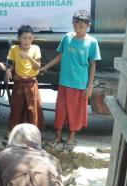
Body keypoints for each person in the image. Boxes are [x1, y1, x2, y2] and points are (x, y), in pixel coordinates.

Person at [40, 10, 101, 150]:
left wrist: (90, 85)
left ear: (88, 26)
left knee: (75, 111)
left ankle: (71, 137)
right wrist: (46, 67)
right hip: (64, 82)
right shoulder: (67, 37)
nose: (78, 29)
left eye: (81, 27)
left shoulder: (92, 42)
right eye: (75, 26)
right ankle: (58, 135)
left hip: (80, 83)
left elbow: (93, 64)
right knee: (61, 110)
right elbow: (60, 56)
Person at [5, 25, 44, 131]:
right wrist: (8, 70)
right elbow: (9, 63)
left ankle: (33, 134)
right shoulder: (14, 49)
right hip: (19, 83)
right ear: (18, 39)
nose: (27, 41)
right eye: (24, 38)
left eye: (30, 38)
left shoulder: (36, 48)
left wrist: (28, 57)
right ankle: (13, 133)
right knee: (17, 109)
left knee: (32, 110)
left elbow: (38, 66)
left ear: (33, 38)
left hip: (31, 83)